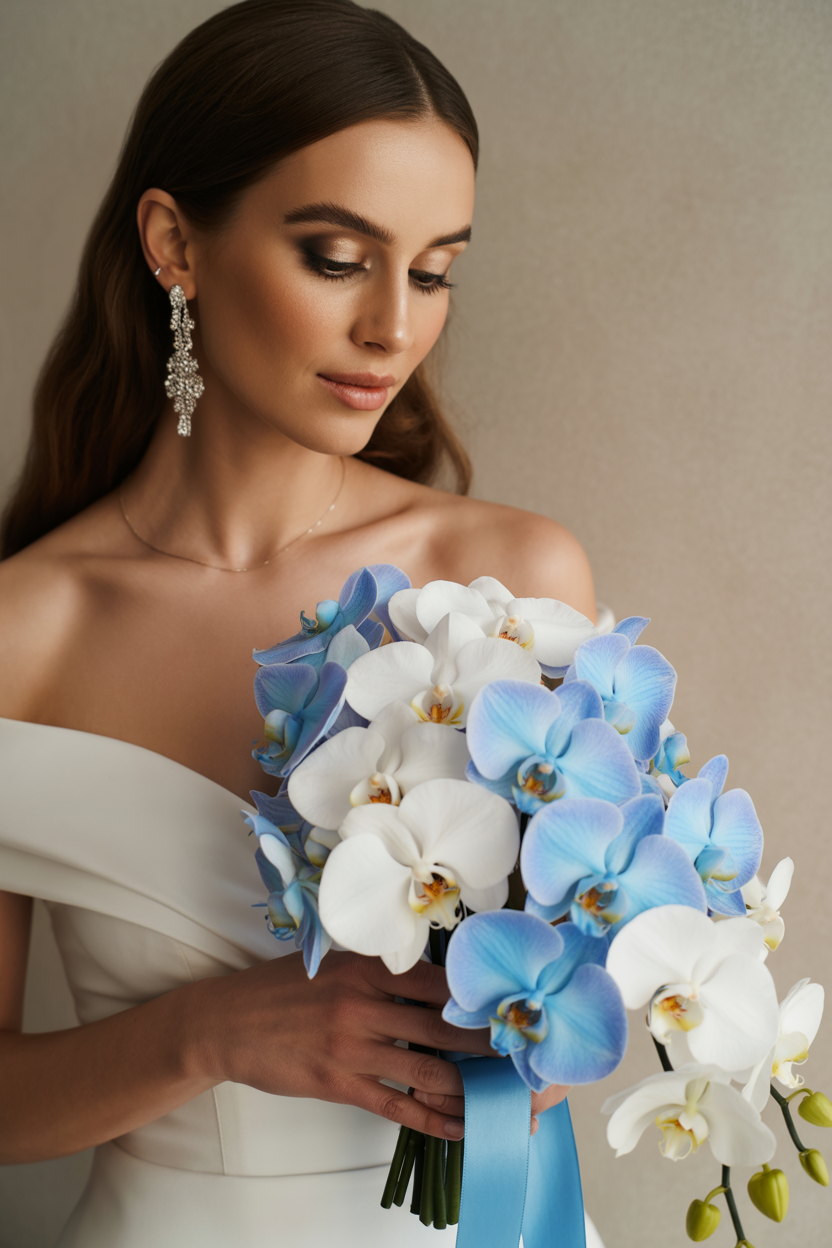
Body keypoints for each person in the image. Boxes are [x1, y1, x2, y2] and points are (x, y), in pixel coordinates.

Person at [0, 2, 604, 1243]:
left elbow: (552, 1015)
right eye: (338, 257)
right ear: (175, 242)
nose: (395, 324)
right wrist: (212, 1030)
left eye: (433, 270)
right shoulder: (24, 633)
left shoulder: (506, 577)